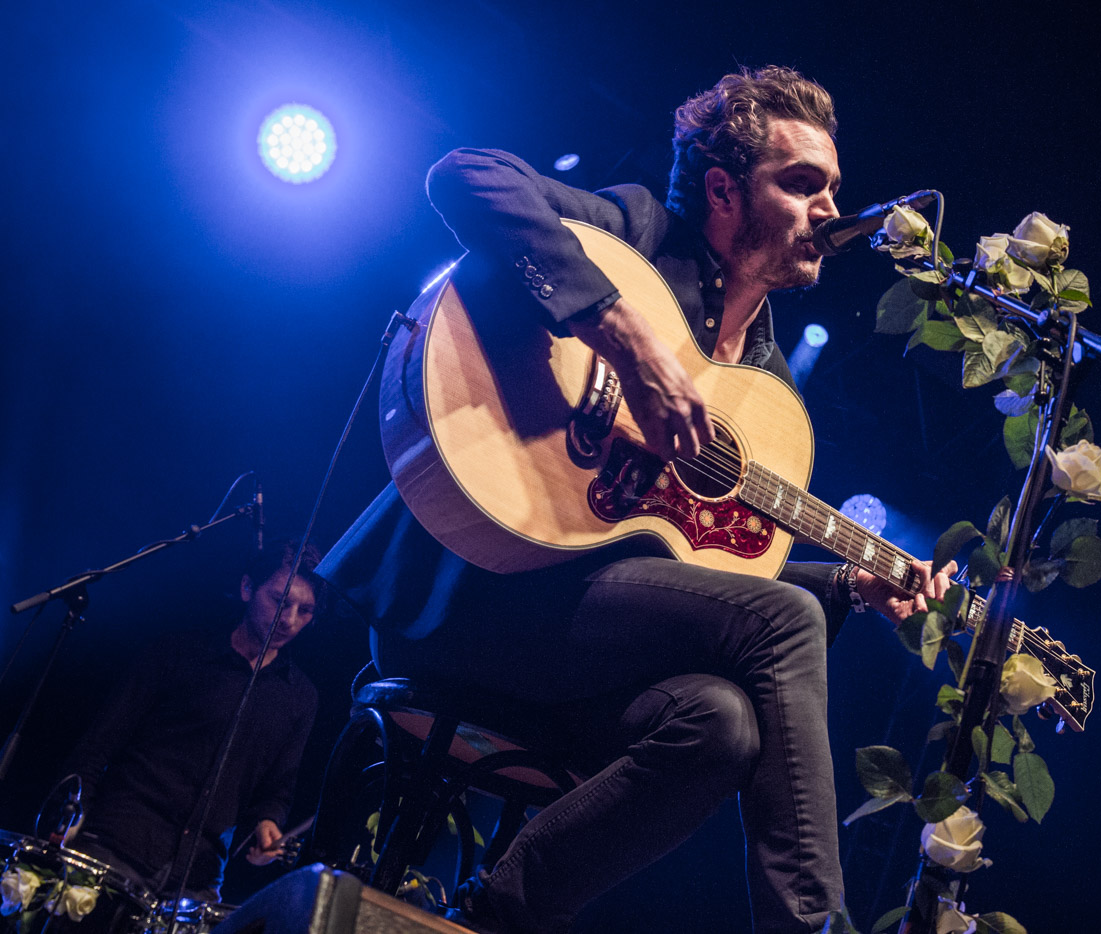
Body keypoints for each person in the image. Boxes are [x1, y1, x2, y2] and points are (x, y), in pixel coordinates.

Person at [317, 66, 955, 934]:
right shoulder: (642, 235)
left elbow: (697, 561)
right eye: (802, 184)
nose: (830, 210)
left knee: (721, 724)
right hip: (481, 590)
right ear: (726, 191)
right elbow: (466, 175)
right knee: (782, 624)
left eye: (834, 188)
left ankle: (499, 911)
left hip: (583, 638)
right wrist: (622, 339)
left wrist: (847, 584)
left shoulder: (761, 382)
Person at [60, 541, 322, 901]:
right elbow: (100, 742)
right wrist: (70, 814)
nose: (290, 620)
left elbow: (276, 791)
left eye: (305, 610)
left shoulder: (300, 697)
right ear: (247, 588)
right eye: (279, 601)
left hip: (197, 880)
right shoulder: (177, 653)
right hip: (115, 846)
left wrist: (267, 824)